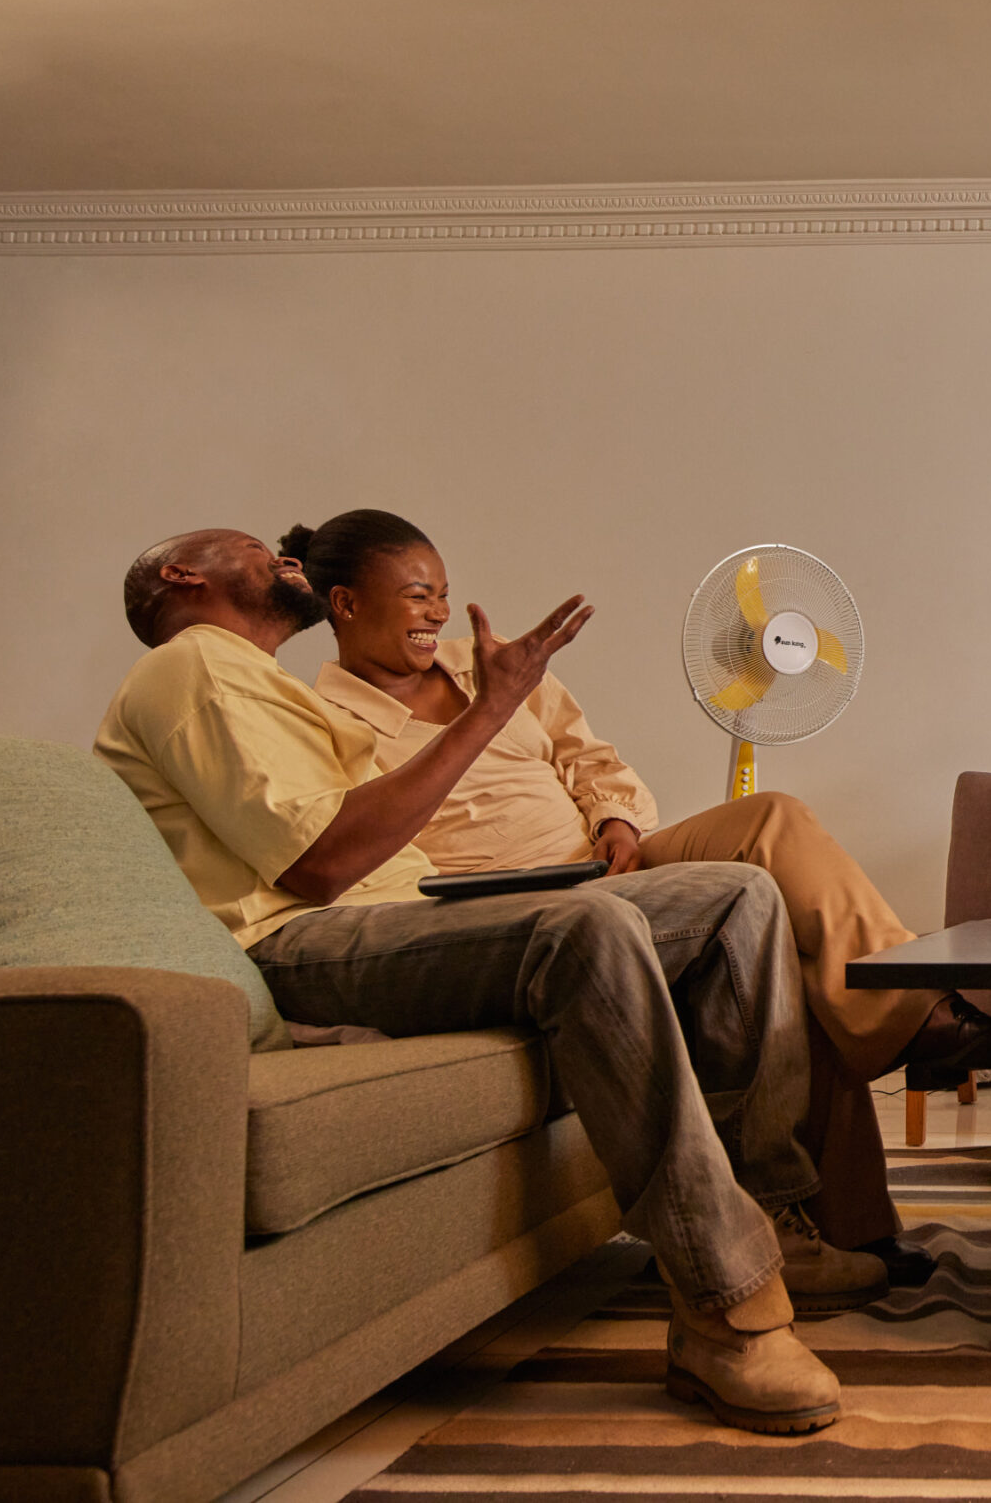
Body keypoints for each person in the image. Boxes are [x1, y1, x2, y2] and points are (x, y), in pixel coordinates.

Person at [94, 528, 874, 1438]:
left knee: (737, 894)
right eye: (259, 551)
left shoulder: (257, 682)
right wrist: (487, 712)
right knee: (590, 927)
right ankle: (723, 1304)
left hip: (402, 917)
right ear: (184, 574)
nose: (285, 555)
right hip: (307, 944)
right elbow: (320, 863)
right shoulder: (191, 669)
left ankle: (772, 1208)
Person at [282, 509, 991, 1283]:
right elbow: (367, 851)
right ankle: (861, 1218)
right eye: (418, 596)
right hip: (507, 909)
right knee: (779, 949)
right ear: (346, 605)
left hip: (608, 862)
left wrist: (615, 820)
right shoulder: (318, 718)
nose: (439, 613)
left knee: (773, 818)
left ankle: (910, 1009)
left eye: (444, 594)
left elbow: (593, 761)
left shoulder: (495, 667)